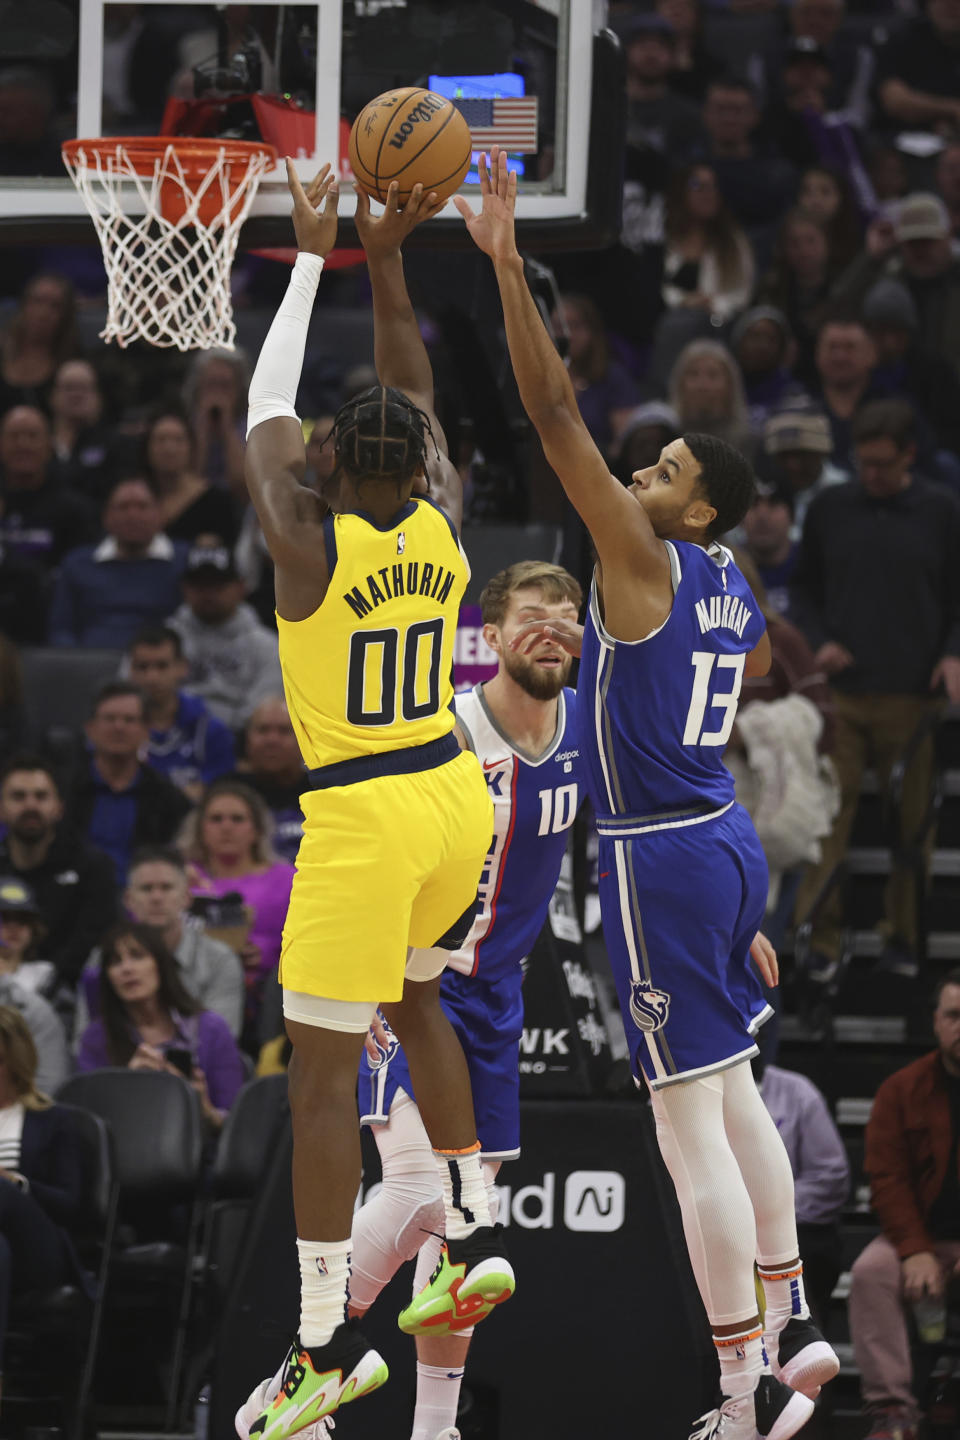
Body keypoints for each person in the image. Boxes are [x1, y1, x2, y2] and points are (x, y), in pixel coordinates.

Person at [456, 147, 836, 1440]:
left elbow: (554, 421)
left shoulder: (649, 561)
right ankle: (799, 1331)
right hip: (724, 840)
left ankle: (740, 1389)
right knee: (734, 1094)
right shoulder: (733, 578)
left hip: (662, 853)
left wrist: (509, 266)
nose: (642, 475)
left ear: (698, 511)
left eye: (666, 472)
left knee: (688, 1135)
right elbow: (744, 676)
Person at [236, 163, 509, 1434]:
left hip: (361, 817)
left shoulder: (306, 542)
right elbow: (412, 394)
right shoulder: (444, 525)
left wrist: (308, 257)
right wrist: (382, 257)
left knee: (317, 1080)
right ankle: (469, 1232)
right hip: (455, 798)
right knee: (420, 998)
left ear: (337, 465)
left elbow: (263, 404)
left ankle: (314, 1351)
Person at [349, 561, 584, 1440]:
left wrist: (732, 916)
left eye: (567, 612)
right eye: (533, 611)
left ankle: (434, 1428)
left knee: (461, 1247)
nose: (553, 625)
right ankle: (307, 1364)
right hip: (414, 985)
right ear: (491, 633)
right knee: (420, 1186)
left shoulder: (583, 733)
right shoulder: (446, 729)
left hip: (499, 1001)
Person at [791, 400, 960, 982]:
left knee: (912, 822)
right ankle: (820, 940)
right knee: (825, 818)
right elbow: (804, 590)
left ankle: (904, 939)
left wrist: (953, 653)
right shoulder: (831, 509)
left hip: (914, 695)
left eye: (883, 464)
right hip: (842, 696)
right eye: (863, 463)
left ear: (910, 455)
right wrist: (817, 640)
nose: (872, 475)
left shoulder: (942, 511)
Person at [848, 970, 960, 1440]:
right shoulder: (902, 1089)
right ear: (936, 1022)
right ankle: (893, 1411)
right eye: (954, 1015)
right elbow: (887, 1179)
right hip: (919, 1238)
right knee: (870, 1273)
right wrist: (915, 1250)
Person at [75, 923, 245, 1129]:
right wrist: (125, 1086)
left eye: (137, 956)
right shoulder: (97, 1037)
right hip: (125, 1153)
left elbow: (238, 1126)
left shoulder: (211, 1029)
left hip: (203, 1153)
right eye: (115, 962)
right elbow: (88, 1125)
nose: (126, 969)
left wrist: (202, 1107)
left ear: (161, 964)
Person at [74, 846, 245, 1042]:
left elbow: (221, 1042)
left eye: (166, 888)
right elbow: (85, 1042)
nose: (156, 898)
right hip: (122, 1067)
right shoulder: (104, 957)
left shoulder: (219, 959)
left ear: (186, 898)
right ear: (128, 900)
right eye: (146, 889)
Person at [0, 1005, 86, 1395]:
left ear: (14, 1059)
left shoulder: (56, 1121)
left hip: (40, 1247)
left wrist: (17, 1183)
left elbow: (71, 1203)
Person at [178, 780, 294, 1028]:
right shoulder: (179, 879)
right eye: (216, 819)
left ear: (257, 830)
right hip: (189, 986)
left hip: (267, 992)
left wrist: (266, 952)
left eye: (237, 819)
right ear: (200, 829)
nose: (226, 827)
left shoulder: (287, 879)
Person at [0, 755, 118, 990]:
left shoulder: (92, 867)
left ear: (59, 808)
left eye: (41, 796)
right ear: (1, 808)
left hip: (68, 991)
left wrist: (46, 977)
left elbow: (91, 940)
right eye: (18, 796)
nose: (30, 805)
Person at [69, 682, 193, 887]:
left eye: (129, 720)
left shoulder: (169, 799)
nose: (119, 727)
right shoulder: (62, 791)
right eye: (109, 719)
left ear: (147, 731)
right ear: (90, 729)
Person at [756, 1058, 849, 1324]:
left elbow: (830, 1179)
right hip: (710, 1228)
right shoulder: (688, 1091)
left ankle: (800, 1347)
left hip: (789, 1229)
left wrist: (764, 1212)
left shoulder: (796, 1092)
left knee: (789, 1258)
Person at [48, 478, 189, 648]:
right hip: (90, 663)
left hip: (158, 665)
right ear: (106, 517)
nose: (132, 515)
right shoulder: (77, 563)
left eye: (142, 506)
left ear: (160, 514)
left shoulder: (184, 561)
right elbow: (61, 629)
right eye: (123, 507)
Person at [166, 542, 284, 732]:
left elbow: (264, 707)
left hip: (240, 739)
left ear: (241, 587)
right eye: (200, 586)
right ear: (185, 588)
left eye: (217, 586)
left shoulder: (266, 646)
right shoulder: (164, 639)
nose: (208, 594)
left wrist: (217, 733)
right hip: (174, 733)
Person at [127, 623, 236, 801]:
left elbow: (220, 796)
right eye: (142, 667)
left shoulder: (211, 731)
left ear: (182, 667)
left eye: (162, 666)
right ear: (131, 671)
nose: (152, 677)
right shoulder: (117, 727)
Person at [0, 405, 95, 574]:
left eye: (33, 436)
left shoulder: (75, 510)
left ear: (49, 446)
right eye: (14, 436)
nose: (23, 444)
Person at [661, 165, 755, 324]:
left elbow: (742, 293)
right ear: (681, 190)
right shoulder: (663, 237)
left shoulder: (734, 241)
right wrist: (683, 302)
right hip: (670, 320)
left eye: (713, 186)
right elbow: (656, 286)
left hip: (718, 324)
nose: (708, 193)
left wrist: (712, 305)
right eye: (698, 185)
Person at [553, 293, 639, 456]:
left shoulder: (613, 377)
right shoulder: (540, 379)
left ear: (592, 331)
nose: (567, 335)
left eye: (575, 326)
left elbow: (625, 442)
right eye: (558, 327)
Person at [141, 409, 239, 545]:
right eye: (160, 440)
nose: (169, 448)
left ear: (191, 449)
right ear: (147, 448)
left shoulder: (217, 501)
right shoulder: (131, 499)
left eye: (178, 440)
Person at [232, 697, 305, 865]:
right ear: (247, 738)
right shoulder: (226, 793)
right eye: (263, 730)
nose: (272, 740)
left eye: (284, 731)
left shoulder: (324, 791)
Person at [874, 0, 960, 137]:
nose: (950, 5)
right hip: (904, 141)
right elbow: (895, 101)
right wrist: (952, 109)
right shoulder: (904, 38)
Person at [0, 274, 78, 419]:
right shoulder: (2, 352)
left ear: (65, 315)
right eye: (37, 301)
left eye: (55, 306)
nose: (44, 313)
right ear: (23, 305)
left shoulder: (73, 365)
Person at [762, 406, 845, 537]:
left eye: (802, 455)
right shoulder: (762, 496)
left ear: (821, 453)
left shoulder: (843, 493)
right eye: (784, 455)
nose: (793, 465)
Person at [48, 358, 120, 507]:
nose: (76, 395)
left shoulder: (116, 444)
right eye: (68, 388)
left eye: (83, 388)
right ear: (53, 396)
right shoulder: (38, 443)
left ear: (98, 397)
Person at [667, 339, 756, 459]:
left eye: (713, 375)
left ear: (730, 386)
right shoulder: (663, 436)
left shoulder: (750, 441)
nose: (702, 385)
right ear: (680, 384)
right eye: (693, 374)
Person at [740, 477, 800, 617]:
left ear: (792, 516)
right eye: (754, 504)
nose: (762, 515)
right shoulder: (722, 572)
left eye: (773, 504)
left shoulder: (814, 568)